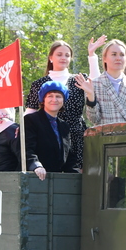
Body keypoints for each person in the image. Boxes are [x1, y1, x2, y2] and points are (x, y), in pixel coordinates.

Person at [24, 40, 91, 171]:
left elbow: (96, 91)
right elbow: (30, 111)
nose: (63, 58)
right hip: (49, 138)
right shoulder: (39, 83)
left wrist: (92, 54)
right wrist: (21, 129)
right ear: (51, 58)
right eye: (59, 54)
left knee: (77, 177)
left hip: (76, 137)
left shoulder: (79, 79)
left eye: (67, 55)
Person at [82, 39, 126, 126]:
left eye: (122, 55)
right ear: (104, 58)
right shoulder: (94, 84)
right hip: (105, 137)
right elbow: (94, 119)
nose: (118, 58)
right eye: (114, 54)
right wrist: (91, 96)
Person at [24, 81, 77, 180]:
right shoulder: (30, 120)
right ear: (43, 99)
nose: (54, 99)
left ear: (63, 100)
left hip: (56, 180)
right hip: (34, 177)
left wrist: (77, 175)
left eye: (58, 96)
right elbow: (26, 149)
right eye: (50, 96)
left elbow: (69, 156)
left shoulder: (64, 126)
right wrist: (36, 166)